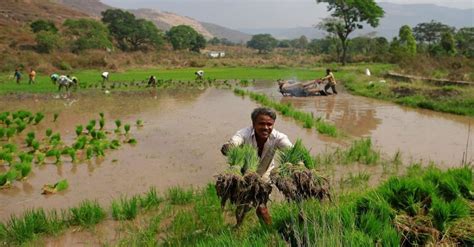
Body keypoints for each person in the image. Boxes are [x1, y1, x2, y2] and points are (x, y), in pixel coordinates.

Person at [221, 107, 293, 225]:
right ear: (253, 124)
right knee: (242, 203)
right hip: (245, 172)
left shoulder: (279, 137)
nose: (265, 127)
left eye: (269, 124)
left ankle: (269, 231)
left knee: (261, 206)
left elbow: (291, 150)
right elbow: (235, 141)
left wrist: (298, 164)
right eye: (261, 124)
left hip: (265, 172)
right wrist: (229, 147)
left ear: (273, 124)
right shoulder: (244, 134)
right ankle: (239, 225)